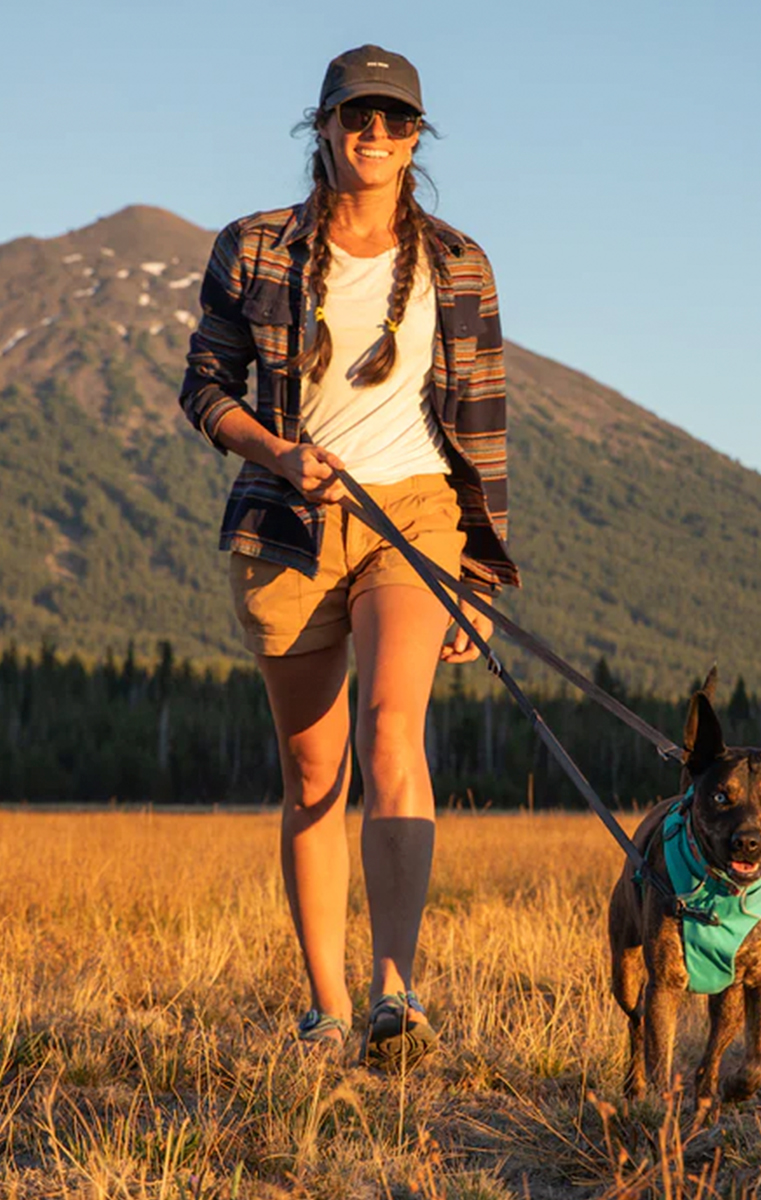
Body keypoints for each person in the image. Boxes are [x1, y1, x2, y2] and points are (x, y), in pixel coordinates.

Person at [179, 44, 519, 1068]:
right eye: (355, 117)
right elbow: (204, 388)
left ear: (418, 139)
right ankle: (326, 1008)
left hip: (412, 513)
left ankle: (395, 993)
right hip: (284, 523)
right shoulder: (252, 249)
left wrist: (482, 575)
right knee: (314, 771)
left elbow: (487, 426)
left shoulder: (459, 263)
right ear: (321, 127)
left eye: (395, 120)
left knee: (388, 732)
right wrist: (278, 451)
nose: (375, 134)